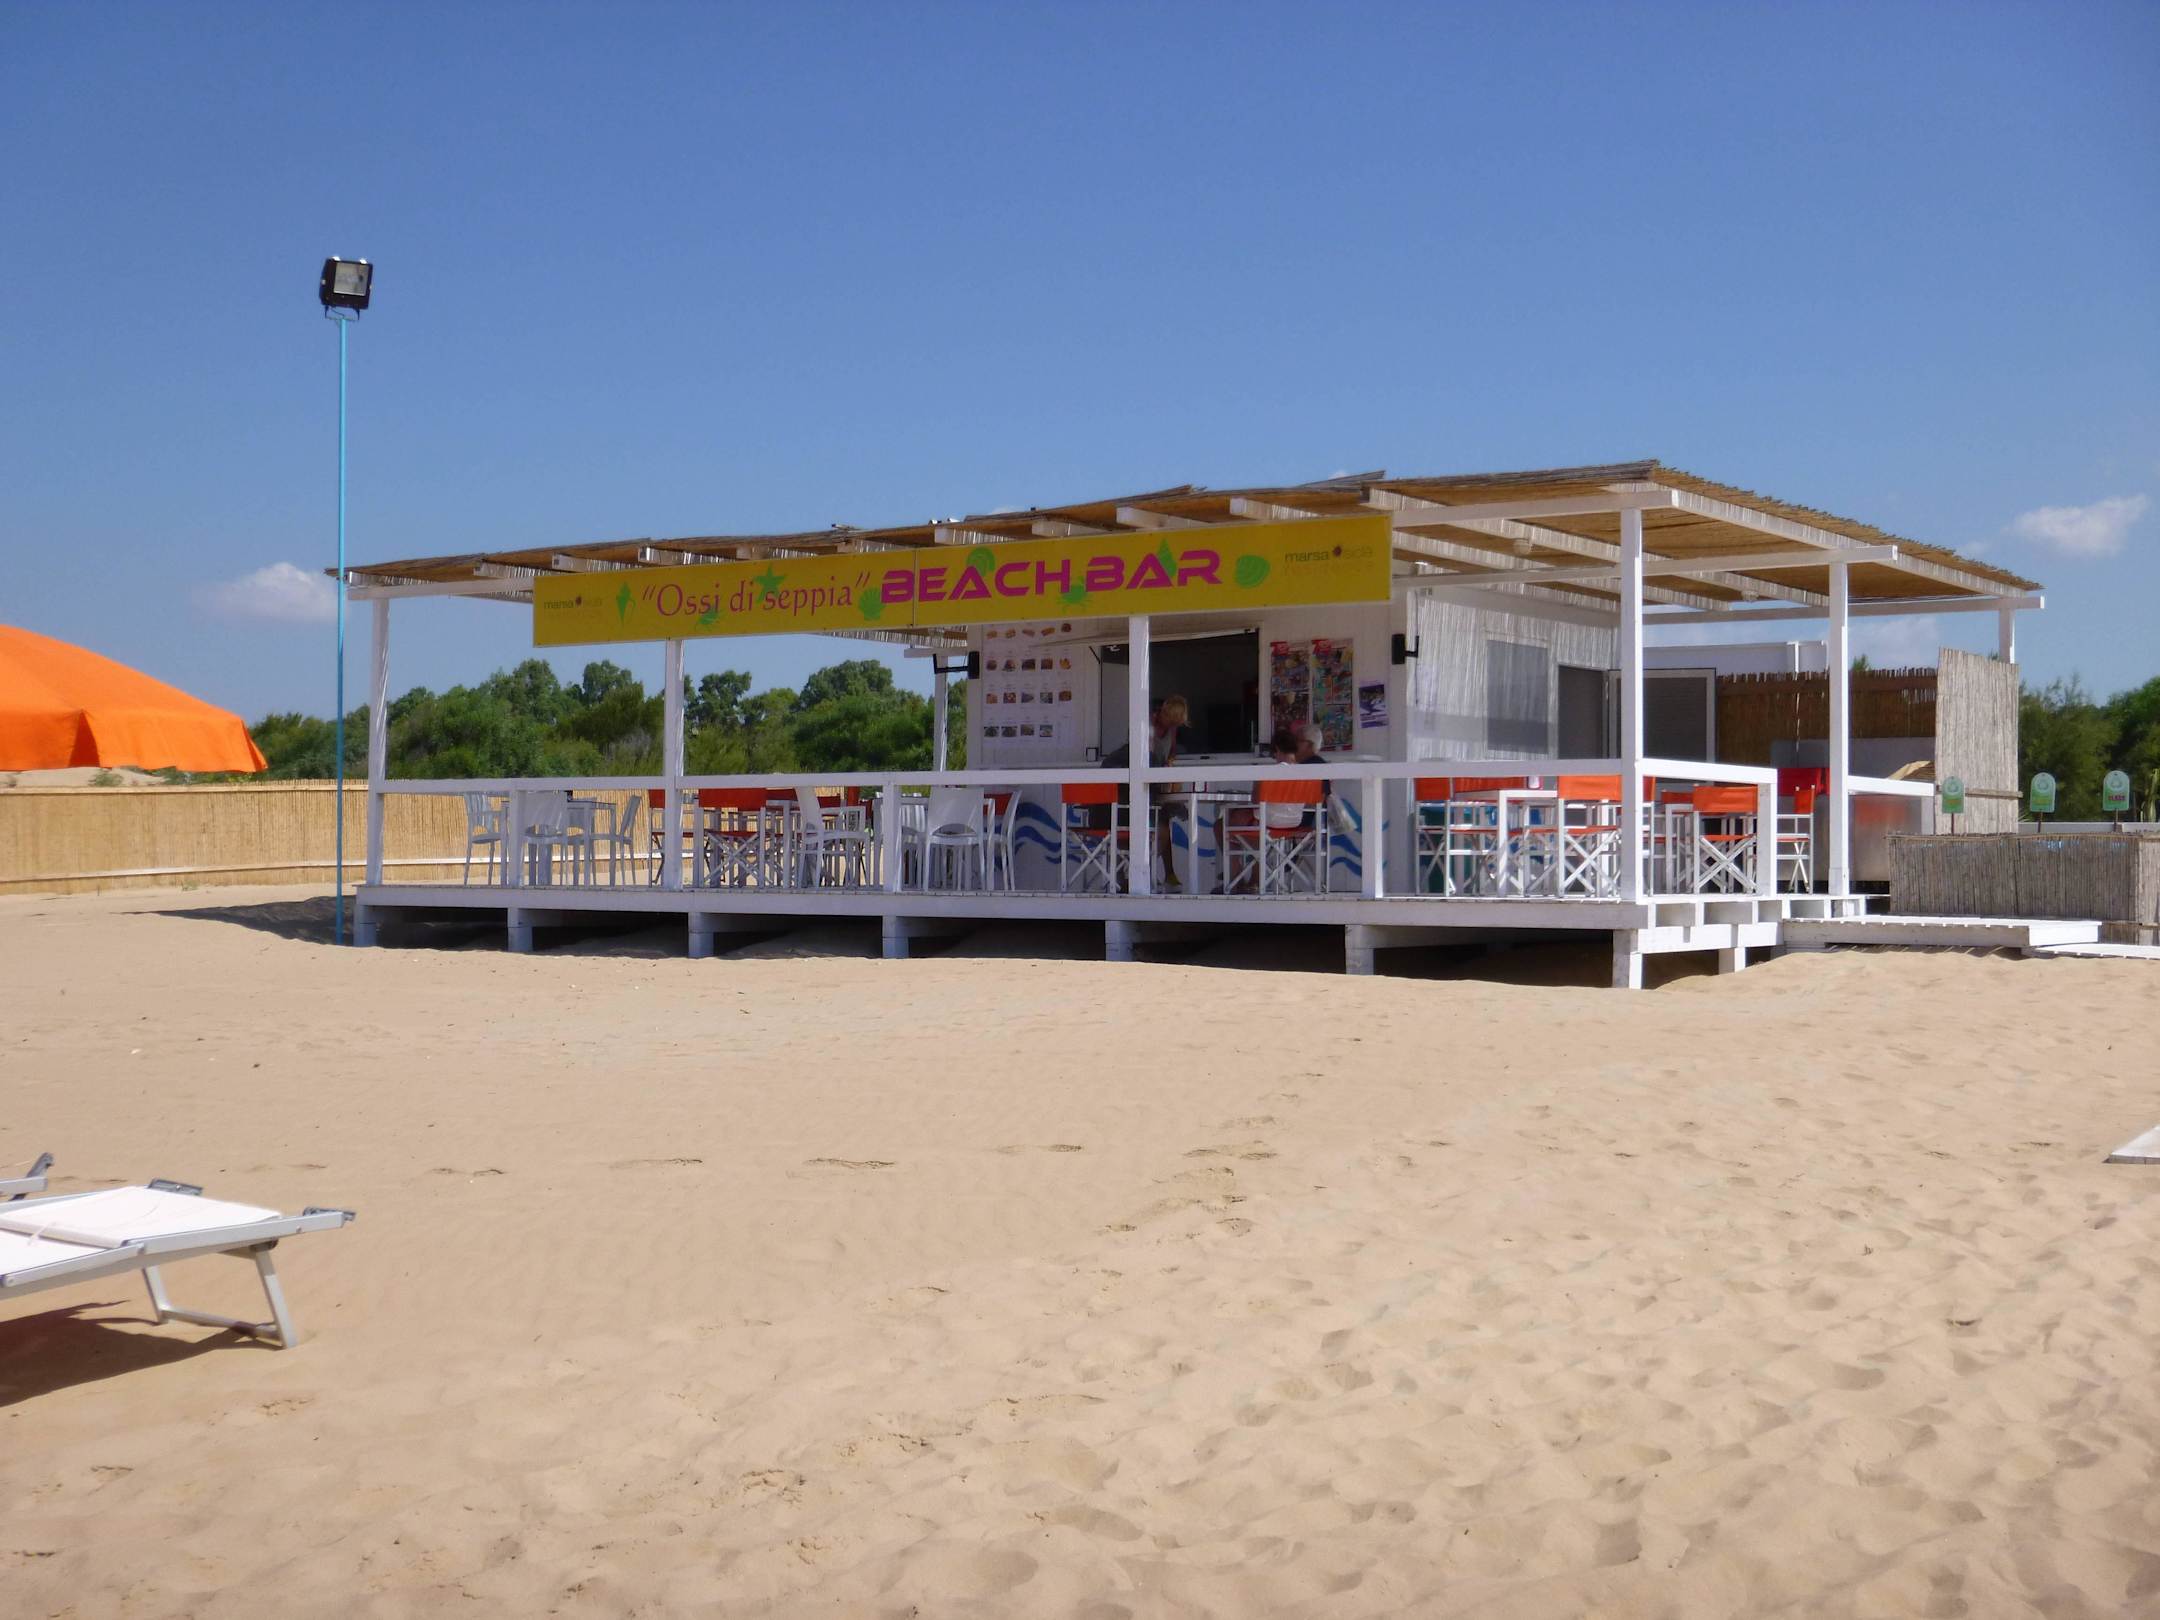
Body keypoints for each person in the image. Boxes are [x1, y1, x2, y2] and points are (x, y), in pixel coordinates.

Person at [1104, 695, 1191, 889]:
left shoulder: (1171, 730)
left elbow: (1170, 755)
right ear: (1164, 713)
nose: (1172, 725)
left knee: (1163, 821)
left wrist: (1169, 766)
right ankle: (1142, 872)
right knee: (1158, 822)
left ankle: (1160, 872)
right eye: (1171, 720)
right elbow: (1144, 758)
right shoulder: (1146, 725)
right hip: (1136, 788)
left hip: (1155, 782)